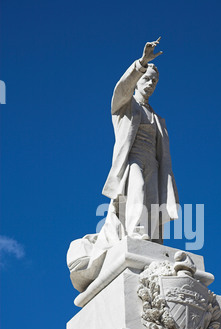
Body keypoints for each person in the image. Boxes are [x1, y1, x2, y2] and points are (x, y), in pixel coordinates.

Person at [67, 38, 179, 291]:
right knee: (136, 192)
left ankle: (147, 240)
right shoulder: (125, 107)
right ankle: (137, 236)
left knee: (152, 206)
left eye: (154, 81)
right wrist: (141, 64)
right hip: (133, 162)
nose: (150, 83)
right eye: (147, 78)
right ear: (138, 80)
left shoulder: (158, 118)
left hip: (154, 164)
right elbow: (121, 90)